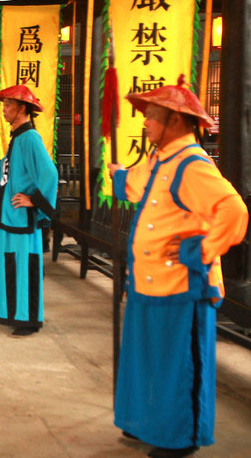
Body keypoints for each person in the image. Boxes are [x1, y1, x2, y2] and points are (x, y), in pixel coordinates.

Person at [108, 75, 248, 458]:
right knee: (146, 359)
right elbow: (135, 186)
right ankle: (146, 422)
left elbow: (233, 210)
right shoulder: (159, 159)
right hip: (147, 282)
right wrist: (116, 173)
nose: (145, 123)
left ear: (175, 121)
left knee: (177, 366)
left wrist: (205, 249)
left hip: (182, 284)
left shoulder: (192, 165)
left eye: (152, 117)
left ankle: (179, 436)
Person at [0, 84, 57, 337]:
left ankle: (27, 319)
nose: (4, 109)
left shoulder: (29, 137)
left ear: (22, 108)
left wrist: (34, 200)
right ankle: (12, 314)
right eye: (4, 104)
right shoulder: (18, 136)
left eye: (8, 105)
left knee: (23, 266)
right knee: (10, 264)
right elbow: (16, 168)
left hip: (22, 215)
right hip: (11, 214)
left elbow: (49, 173)